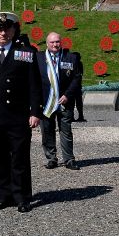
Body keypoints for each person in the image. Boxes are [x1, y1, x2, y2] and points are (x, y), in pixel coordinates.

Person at [0, 12, 41, 212]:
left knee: (19, 158)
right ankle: (2, 195)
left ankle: (21, 197)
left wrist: (35, 112)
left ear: (14, 30)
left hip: (17, 115)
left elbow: (34, 85)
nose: (3, 33)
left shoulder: (25, 53)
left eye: (7, 29)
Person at [38, 32, 82, 170]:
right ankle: (51, 158)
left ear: (61, 42)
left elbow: (76, 78)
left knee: (66, 131)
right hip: (46, 101)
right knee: (47, 130)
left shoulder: (71, 57)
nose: (55, 44)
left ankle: (69, 159)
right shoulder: (38, 58)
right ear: (47, 43)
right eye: (52, 42)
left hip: (64, 101)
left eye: (57, 41)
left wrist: (68, 95)